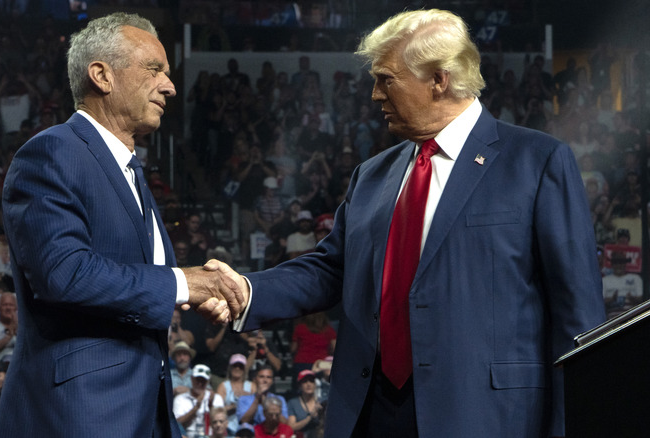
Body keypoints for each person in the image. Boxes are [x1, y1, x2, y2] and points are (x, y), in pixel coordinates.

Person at [210, 9, 605, 437]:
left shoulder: (537, 161)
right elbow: (330, 269)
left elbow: (578, 317)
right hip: (372, 413)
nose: (375, 95)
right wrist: (246, 291)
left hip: (487, 416)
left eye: (386, 79)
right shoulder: (372, 175)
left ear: (439, 79)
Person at [0, 12, 243, 438]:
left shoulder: (130, 170)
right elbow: (65, 274)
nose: (169, 85)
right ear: (101, 76)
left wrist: (193, 295)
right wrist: (184, 284)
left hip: (145, 413)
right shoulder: (53, 152)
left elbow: (141, 285)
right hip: (80, 415)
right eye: (155, 70)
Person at [172, 364, 224, 438]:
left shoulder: (216, 398)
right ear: (192, 379)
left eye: (203, 381)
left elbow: (221, 424)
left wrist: (211, 407)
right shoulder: (180, 399)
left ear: (208, 381)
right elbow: (176, 424)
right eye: (198, 380)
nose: (200, 384)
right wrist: (195, 408)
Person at [216, 353, 253, 435]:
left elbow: (257, 406)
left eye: (240, 366)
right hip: (229, 428)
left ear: (244, 369)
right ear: (230, 368)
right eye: (235, 366)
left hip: (247, 429)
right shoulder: (223, 386)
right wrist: (235, 406)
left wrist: (248, 397)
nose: (237, 368)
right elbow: (217, 411)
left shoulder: (251, 386)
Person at [286, 370, 323, 438]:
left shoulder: (322, 402)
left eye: (311, 381)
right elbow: (291, 427)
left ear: (315, 384)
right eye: (305, 381)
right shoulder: (293, 403)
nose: (308, 384)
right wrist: (310, 417)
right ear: (299, 385)